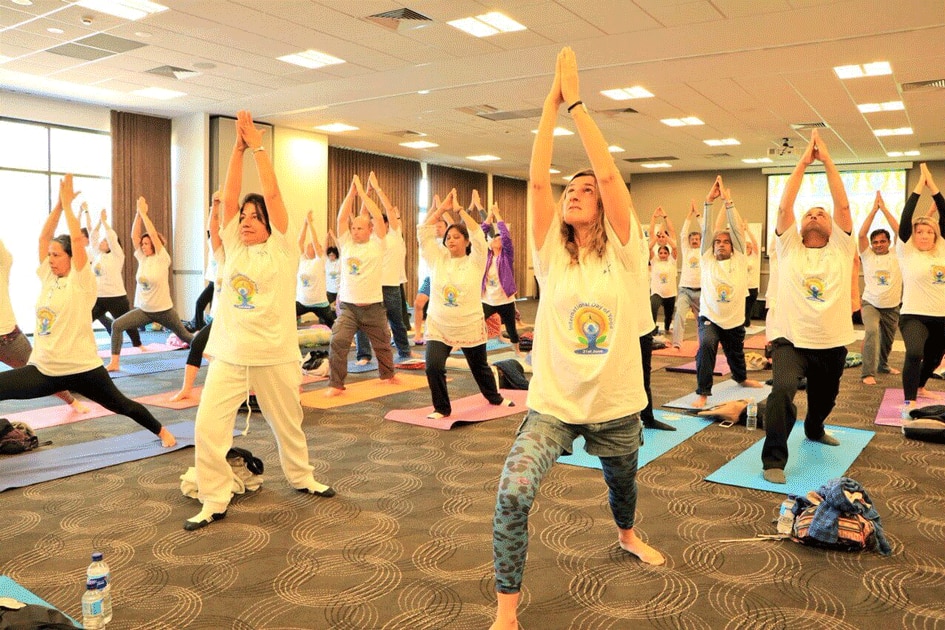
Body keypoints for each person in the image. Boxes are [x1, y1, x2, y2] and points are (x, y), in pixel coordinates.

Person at [490, 47, 663, 630]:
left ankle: (627, 535)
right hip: (554, 405)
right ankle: (506, 611)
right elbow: (537, 180)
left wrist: (580, 105)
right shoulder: (551, 259)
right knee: (513, 494)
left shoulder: (626, 253)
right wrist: (549, 102)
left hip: (615, 404)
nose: (575, 191)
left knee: (623, 488)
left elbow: (610, 174)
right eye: (573, 190)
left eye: (584, 189)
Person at [186, 110, 335, 531]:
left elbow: (272, 194)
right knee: (208, 427)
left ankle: (303, 478)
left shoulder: (283, 249)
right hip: (231, 354)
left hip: (275, 353)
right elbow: (230, 200)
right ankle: (213, 498)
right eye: (244, 218)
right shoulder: (232, 245)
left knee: (288, 424)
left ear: (270, 224)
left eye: (255, 217)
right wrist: (236, 150)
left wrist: (259, 149)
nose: (247, 221)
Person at [0, 175, 174, 446]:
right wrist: (58, 205)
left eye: (57, 255)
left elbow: (79, 246)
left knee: (123, 405)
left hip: (83, 369)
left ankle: (162, 431)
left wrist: (69, 209)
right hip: (45, 370)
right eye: (49, 255)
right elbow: (44, 237)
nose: (51, 259)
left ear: (71, 257)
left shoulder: (81, 280)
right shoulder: (48, 276)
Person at [761, 129, 855, 485]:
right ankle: (774, 458)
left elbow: (843, 206)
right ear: (800, 226)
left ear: (832, 227)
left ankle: (814, 428)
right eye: (810, 213)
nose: (815, 215)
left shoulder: (842, 249)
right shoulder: (787, 248)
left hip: (831, 340)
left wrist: (828, 160)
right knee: (782, 389)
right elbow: (785, 206)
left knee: (824, 397)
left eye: (822, 214)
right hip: (790, 338)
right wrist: (804, 161)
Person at [419, 190, 513, 420]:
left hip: (469, 323)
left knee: (479, 367)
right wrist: (442, 209)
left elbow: (479, 235)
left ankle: (494, 397)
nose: (451, 240)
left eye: (456, 237)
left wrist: (460, 210)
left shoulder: (475, 261)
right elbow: (423, 232)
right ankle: (441, 408)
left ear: (466, 241)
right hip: (440, 325)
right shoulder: (437, 259)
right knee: (433, 366)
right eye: (448, 237)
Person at [692, 177, 764, 409]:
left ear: (733, 246)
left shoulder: (740, 259)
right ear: (712, 247)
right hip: (710, 317)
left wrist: (729, 202)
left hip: (733, 319)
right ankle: (703, 391)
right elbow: (705, 231)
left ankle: (741, 378)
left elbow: (735, 229)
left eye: (726, 242)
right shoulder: (707, 260)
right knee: (707, 345)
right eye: (718, 242)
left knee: (736, 352)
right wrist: (708, 202)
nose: (721, 244)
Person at [324, 175, 398, 397]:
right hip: (349, 308)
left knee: (383, 344)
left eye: (360, 228)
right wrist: (351, 193)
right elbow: (341, 218)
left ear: (370, 230)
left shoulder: (378, 244)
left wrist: (367, 193)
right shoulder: (346, 244)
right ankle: (336, 384)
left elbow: (376, 215)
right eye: (353, 227)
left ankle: (388, 375)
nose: (355, 231)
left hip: (373, 307)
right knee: (338, 340)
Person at [0, 237, 88, 414]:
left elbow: (5, 255)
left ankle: (71, 401)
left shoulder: (2, 267)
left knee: (43, 374)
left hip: (7, 336)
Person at [105, 197, 194, 372]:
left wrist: (145, 215)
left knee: (184, 335)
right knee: (117, 325)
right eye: (143, 244)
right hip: (145, 310)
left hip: (164, 311)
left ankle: (207, 352)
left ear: (154, 245)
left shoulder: (162, 258)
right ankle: (114, 362)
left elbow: (152, 234)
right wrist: (138, 214)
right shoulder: (143, 258)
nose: (143, 246)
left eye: (146, 244)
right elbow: (134, 236)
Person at [897, 163, 945, 414]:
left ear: (936, 235)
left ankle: (922, 385)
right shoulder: (906, 251)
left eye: (929, 231)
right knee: (914, 352)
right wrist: (919, 186)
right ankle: (909, 400)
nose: (924, 235)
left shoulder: (943, 250)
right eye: (920, 232)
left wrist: (934, 187)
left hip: (942, 316)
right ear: (913, 235)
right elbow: (906, 219)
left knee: (935, 360)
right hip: (913, 315)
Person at [170, 192, 224, 402]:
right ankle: (186, 389)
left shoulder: (242, 258)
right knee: (197, 344)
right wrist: (214, 206)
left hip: (238, 320)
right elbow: (213, 229)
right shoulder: (220, 257)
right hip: (219, 319)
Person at [82, 205, 143, 350]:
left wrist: (105, 222)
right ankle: (80, 346)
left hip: (116, 297)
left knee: (127, 324)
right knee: (84, 320)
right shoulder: (98, 254)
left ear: (110, 245)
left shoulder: (117, 255)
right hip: (98, 297)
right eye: (102, 241)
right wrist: (98, 222)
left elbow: (112, 237)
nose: (102, 242)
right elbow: (93, 237)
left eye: (105, 241)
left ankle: (138, 344)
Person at [858, 191, 902, 385]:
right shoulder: (867, 255)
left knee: (888, 340)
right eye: (875, 242)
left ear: (889, 242)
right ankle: (867, 372)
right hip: (871, 303)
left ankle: (883, 364)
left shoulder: (897, 254)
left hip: (892, 305)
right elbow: (861, 234)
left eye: (882, 241)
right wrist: (873, 211)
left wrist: (884, 209)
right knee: (872, 332)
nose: (878, 244)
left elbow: (900, 231)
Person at [480, 199, 522, 355]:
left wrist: (498, 214)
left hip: (504, 298)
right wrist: (489, 215)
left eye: (499, 238)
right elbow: (479, 234)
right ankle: (463, 344)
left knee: (511, 327)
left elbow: (506, 236)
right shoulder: (486, 256)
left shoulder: (506, 256)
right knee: (475, 322)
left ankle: (517, 350)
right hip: (488, 298)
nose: (497, 239)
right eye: (494, 238)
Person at [671, 200, 704, 349]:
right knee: (679, 316)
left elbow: (705, 230)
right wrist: (689, 216)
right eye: (693, 239)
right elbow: (683, 233)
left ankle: (702, 344)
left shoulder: (704, 251)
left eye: (697, 239)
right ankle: (677, 343)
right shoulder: (686, 250)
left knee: (702, 320)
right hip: (685, 289)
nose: (695, 241)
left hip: (701, 291)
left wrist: (698, 214)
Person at [296, 210, 335, 328]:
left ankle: (344, 343)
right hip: (302, 302)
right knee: (286, 317)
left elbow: (315, 241)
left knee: (333, 326)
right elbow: (299, 242)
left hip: (320, 304)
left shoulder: (320, 260)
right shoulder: (303, 260)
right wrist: (305, 224)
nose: (309, 247)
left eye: (311, 246)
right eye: (308, 246)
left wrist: (311, 224)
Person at [184, 205, 219, 332]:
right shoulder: (212, 244)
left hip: (218, 283)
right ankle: (199, 326)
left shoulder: (222, 249)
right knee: (202, 304)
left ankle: (200, 328)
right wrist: (212, 210)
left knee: (201, 304)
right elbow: (210, 228)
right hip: (213, 282)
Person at [648, 206, 677, 335]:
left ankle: (666, 327)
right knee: (653, 307)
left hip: (670, 292)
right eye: (658, 237)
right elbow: (650, 234)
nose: (660, 238)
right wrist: (654, 218)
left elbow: (672, 232)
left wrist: (665, 217)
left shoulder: (671, 257)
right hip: (657, 291)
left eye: (663, 237)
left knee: (669, 314)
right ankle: (653, 328)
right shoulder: (654, 254)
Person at [744, 221, 761, 327]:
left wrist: (748, 230)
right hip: (742, 287)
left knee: (748, 307)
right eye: (745, 247)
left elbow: (755, 243)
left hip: (752, 286)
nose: (747, 249)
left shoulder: (754, 256)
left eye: (748, 248)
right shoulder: (740, 257)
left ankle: (747, 322)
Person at [324, 229, 340, 307]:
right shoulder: (327, 262)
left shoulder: (339, 262)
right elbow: (324, 249)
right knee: (329, 310)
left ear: (336, 255)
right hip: (329, 291)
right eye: (329, 255)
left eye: (333, 255)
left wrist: (333, 236)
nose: (331, 257)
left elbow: (339, 248)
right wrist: (327, 237)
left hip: (339, 291)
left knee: (338, 310)